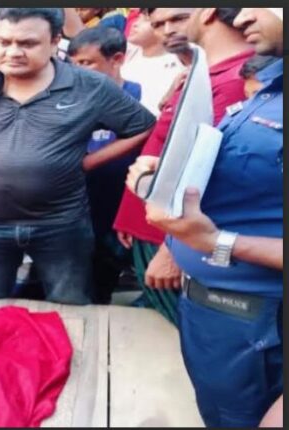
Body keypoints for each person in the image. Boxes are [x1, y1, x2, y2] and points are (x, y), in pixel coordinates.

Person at [0, 8, 156, 304]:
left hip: (61, 223)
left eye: (27, 43)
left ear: (54, 42)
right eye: (4, 42)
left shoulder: (89, 86)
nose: (13, 52)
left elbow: (144, 127)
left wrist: (89, 161)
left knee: (69, 302)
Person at [132, 8, 283, 427]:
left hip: (259, 319)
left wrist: (216, 242)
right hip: (215, 313)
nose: (242, 14)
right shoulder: (267, 85)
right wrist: (163, 177)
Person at [113, 8, 253, 325]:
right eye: (158, 23)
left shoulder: (237, 80)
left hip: (174, 237)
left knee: (184, 328)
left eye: (178, 18)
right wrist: (129, 214)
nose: (166, 30)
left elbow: (209, 174)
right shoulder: (200, 71)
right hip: (152, 224)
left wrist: (173, 251)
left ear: (208, 12)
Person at [68, 27, 143, 304]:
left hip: (117, 205)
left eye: (86, 62)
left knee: (103, 280)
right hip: (75, 206)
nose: (77, 70)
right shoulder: (68, 98)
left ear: (117, 59)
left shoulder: (139, 95)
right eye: (73, 63)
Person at [122, 13, 185, 117]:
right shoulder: (128, 57)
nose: (135, 24)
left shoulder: (178, 63)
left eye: (145, 20)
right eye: (137, 19)